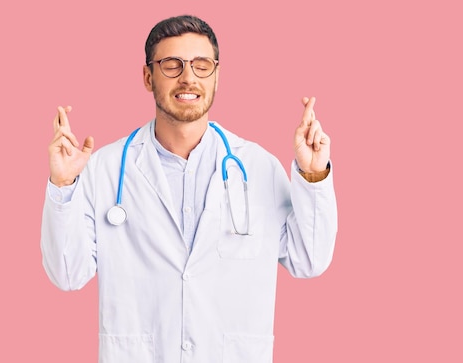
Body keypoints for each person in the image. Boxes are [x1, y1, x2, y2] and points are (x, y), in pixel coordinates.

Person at [41, 14, 337, 363]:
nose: (188, 77)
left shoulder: (257, 168)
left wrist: (314, 174)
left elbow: (309, 260)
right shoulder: (105, 170)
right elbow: (66, 273)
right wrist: (62, 185)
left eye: (201, 65)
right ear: (148, 77)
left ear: (217, 76)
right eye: (171, 65)